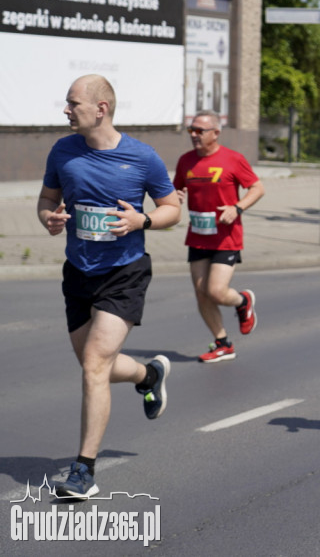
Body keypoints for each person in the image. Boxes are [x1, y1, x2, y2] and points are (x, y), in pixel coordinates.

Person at [36, 74, 181, 498]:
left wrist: (143, 220)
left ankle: (84, 470)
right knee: (92, 364)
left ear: (101, 108)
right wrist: (49, 218)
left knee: (95, 365)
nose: (66, 110)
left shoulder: (142, 157)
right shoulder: (63, 151)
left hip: (125, 272)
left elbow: (171, 207)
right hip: (78, 271)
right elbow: (47, 199)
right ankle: (148, 373)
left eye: (72, 103)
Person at [173, 110, 265, 363]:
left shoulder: (233, 159)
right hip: (198, 235)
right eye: (191, 130)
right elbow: (176, 187)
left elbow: (257, 188)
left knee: (215, 290)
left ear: (216, 132)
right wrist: (175, 197)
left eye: (199, 131)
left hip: (226, 237)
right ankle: (222, 343)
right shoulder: (186, 161)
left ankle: (242, 300)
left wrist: (237, 208)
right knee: (201, 293)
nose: (194, 135)